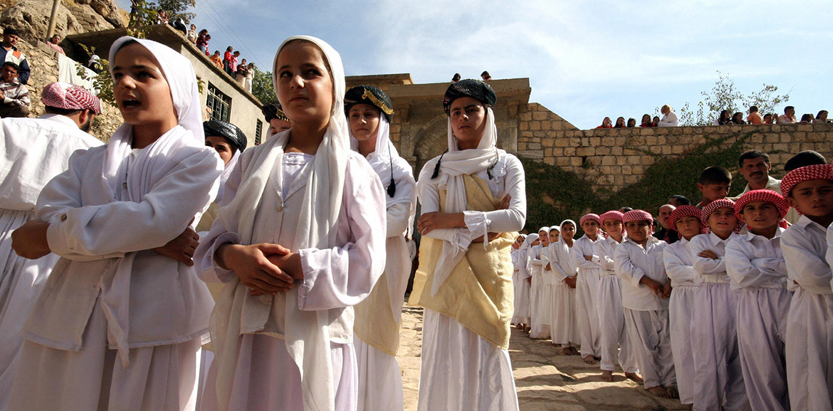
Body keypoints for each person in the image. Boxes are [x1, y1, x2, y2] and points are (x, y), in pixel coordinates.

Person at [8, 36, 223, 410]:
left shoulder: (198, 161)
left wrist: (61, 231)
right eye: (119, 74)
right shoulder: (84, 161)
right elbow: (26, 242)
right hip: (68, 320)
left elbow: (157, 219)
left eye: (143, 74)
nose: (125, 83)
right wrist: (147, 239)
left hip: (152, 326)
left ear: (177, 88)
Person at [195, 35, 386, 411]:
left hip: (315, 335)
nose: (295, 82)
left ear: (335, 86)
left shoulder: (354, 170)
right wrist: (235, 257)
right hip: (246, 330)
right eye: (285, 74)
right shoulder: (249, 163)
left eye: (310, 72)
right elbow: (215, 237)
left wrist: (298, 266)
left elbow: (367, 260)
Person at [410, 78, 526, 411]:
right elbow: (428, 227)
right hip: (447, 275)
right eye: (456, 112)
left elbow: (516, 218)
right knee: (444, 354)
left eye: (471, 110)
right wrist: (487, 223)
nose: (462, 117)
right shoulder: (433, 169)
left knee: (488, 352)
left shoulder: (506, 164)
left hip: (490, 275)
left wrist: (454, 219)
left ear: (487, 115)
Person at [0, 82, 102, 409]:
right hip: (46, 244)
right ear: (86, 114)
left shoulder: (7, 127)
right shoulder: (94, 150)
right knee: (19, 336)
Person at [344, 84, 417, 411]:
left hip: (382, 264)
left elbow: (399, 219)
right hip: (340, 261)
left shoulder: (398, 170)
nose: (361, 120)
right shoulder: (336, 162)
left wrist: (348, 229)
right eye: (355, 114)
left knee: (374, 336)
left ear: (383, 120)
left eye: (369, 114)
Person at [726, 190, 792, 411]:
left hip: (794, 303)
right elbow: (743, 276)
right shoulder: (737, 245)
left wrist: (760, 264)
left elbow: (802, 270)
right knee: (763, 369)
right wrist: (782, 268)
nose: (758, 213)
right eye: (751, 209)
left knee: (800, 366)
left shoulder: (793, 239)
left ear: (779, 212)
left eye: (765, 207)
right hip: (753, 308)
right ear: (742, 216)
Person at [780, 164, 833, 410]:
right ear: (792, 201)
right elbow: (814, 278)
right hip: (813, 311)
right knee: (813, 375)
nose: (817, 197)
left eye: (825, 190)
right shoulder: (794, 236)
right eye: (807, 193)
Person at [689, 199, 749, 411]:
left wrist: (720, 260)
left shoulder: (745, 241)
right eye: (717, 214)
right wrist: (736, 263)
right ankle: (706, 406)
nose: (723, 217)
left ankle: (737, 407)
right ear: (708, 219)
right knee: (709, 359)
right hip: (711, 298)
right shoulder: (699, 241)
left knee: (743, 358)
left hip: (742, 297)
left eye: (728, 214)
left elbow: (752, 266)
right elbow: (703, 266)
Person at [614, 210, 676, 398]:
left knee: (668, 343)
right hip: (638, 303)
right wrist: (649, 281)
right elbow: (624, 269)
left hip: (664, 301)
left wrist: (670, 283)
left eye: (641, 224)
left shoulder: (663, 246)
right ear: (626, 229)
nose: (636, 229)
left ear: (651, 227)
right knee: (644, 344)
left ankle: (671, 381)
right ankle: (652, 381)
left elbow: (672, 267)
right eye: (631, 225)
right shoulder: (623, 249)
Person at [663, 205, 703, 408]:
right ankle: (689, 396)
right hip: (683, 299)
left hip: (708, 297)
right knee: (684, 345)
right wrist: (705, 270)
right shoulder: (671, 249)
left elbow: (726, 268)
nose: (686, 225)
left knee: (708, 346)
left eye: (691, 220)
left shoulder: (711, 244)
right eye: (681, 222)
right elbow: (674, 273)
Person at [596, 211, 640, 382]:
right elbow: (606, 263)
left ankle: (630, 367)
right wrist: (627, 266)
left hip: (629, 285)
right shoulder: (602, 244)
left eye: (616, 223)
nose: (613, 227)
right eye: (608, 224)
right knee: (609, 325)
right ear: (604, 227)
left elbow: (636, 262)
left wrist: (625, 266)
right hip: (610, 286)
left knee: (630, 326)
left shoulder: (631, 243)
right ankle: (607, 366)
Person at [735, 150, 799, 224]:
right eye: (750, 166)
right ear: (741, 171)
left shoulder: (788, 188)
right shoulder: (740, 200)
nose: (755, 169)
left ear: (769, 166)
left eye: (760, 165)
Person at [573, 214, 603, 364]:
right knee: (585, 314)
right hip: (585, 282)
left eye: (593, 223)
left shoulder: (605, 242)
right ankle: (587, 350)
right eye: (587, 224)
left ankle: (600, 350)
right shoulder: (578, 243)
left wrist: (591, 258)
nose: (590, 226)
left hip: (602, 281)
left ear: (598, 226)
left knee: (600, 315)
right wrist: (598, 262)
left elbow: (610, 262)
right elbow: (579, 262)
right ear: (583, 227)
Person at [551, 219, 580, 355]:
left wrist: (576, 277)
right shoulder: (554, 247)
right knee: (563, 312)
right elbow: (554, 264)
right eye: (565, 229)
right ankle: (564, 343)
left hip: (577, 283)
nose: (568, 231)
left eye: (571, 228)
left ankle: (573, 341)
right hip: (562, 283)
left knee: (576, 313)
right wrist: (566, 279)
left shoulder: (578, 245)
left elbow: (582, 262)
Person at [529, 227, 552, 340]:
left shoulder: (553, 248)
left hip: (550, 279)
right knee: (538, 302)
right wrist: (545, 261)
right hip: (538, 278)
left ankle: (551, 331)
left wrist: (542, 259)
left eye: (545, 235)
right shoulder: (534, 248)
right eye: (541, 235)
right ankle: (538, 330)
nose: (543, 237)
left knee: (548, 303)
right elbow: (533, 261)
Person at [511, 234, 531, 332]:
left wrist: (521, 266)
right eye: (519, 241)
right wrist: (521, 266)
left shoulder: (530, 252)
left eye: (523, 240)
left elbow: (528, 265)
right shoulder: (515, 254)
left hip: (527, 278)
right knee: (517, 298)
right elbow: (514, 266)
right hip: (517, 279)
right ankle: (517, 321)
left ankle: (527, 322)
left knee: (527, 299)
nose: (521, 243)